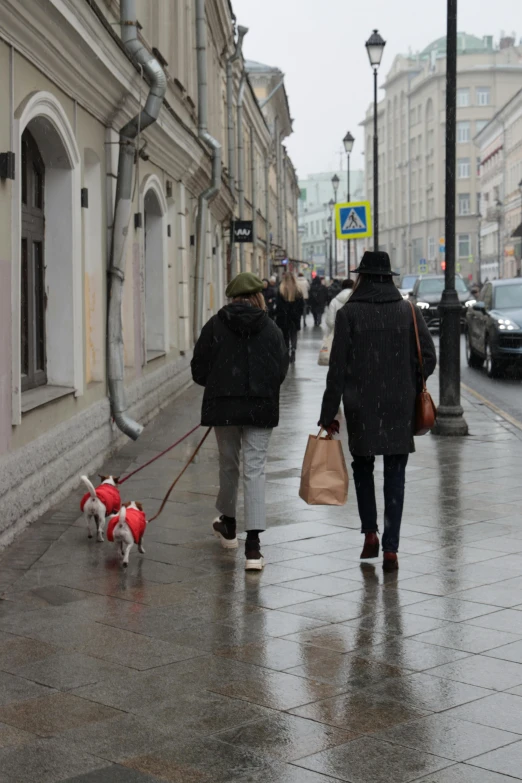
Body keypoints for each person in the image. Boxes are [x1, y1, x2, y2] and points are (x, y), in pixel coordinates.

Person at [319, 251, 436, 571]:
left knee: (363, 467)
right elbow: (428, 356)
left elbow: (337, 369)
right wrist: (409, 380)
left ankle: (370, 532)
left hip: (361, 404)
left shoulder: (349, 313)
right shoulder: (407, 310)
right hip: (399, 404)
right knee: (396, 474)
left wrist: (328, 413)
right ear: (389, 278)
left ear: (362, 278)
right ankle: (391, 550)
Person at [191, 273, 289, 571]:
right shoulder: (271, 329)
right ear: (259, 297)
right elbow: (280, 370)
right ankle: (254, 549)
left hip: (225, 408)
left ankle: (230, 525)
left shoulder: (215, 325)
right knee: (255, 470)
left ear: (232, 297)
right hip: (260, 408)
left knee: (228, 464)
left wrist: (222, 384)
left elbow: (198, 370)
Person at [275, 272, 304, 364]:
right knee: (294, 334)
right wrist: (297, 313)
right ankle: (293, 350)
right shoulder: (298, 290)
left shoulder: (281, 289)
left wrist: (280, 313)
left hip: (284, 317)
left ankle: (287, 351)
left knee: (285, 335)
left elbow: (278, 305)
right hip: (294, 317)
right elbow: (301, 305)